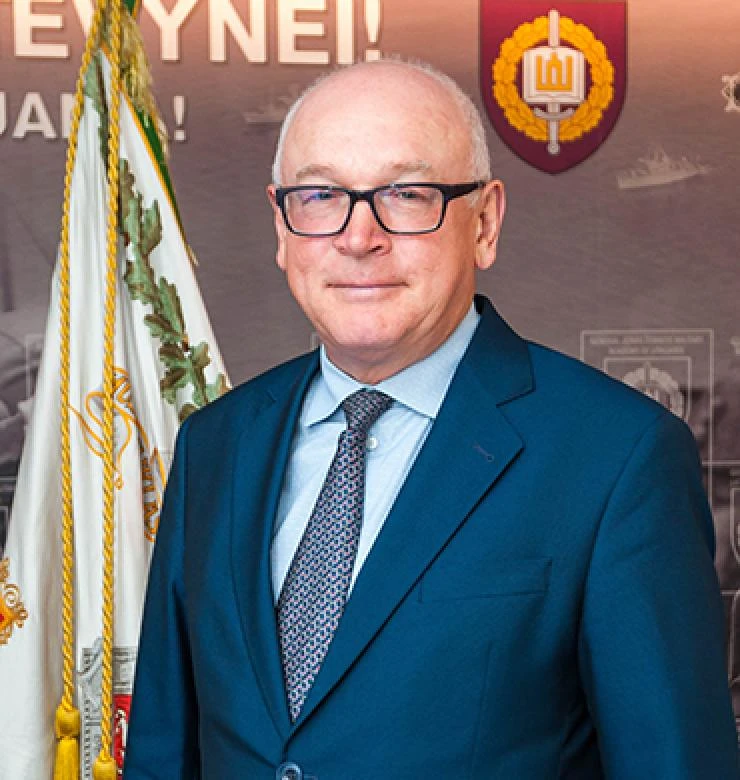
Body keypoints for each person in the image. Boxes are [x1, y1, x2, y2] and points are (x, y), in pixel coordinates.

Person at [124, 60, 738, 779]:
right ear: (282, 227)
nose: (359, 237)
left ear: (485, 223)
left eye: (406, 194)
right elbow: (164, 755)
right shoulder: (215, 446)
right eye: (320, 196)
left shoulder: (617, 457)